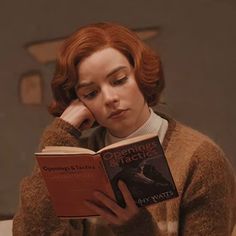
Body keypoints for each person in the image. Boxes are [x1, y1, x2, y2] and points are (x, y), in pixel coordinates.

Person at [13, 22, 236, 236]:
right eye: (91, 93)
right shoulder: (79, 157)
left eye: (119, 80)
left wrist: (136, 228)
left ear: (141, 75)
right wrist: (59, 135)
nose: (109, 98)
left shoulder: (200, 159)